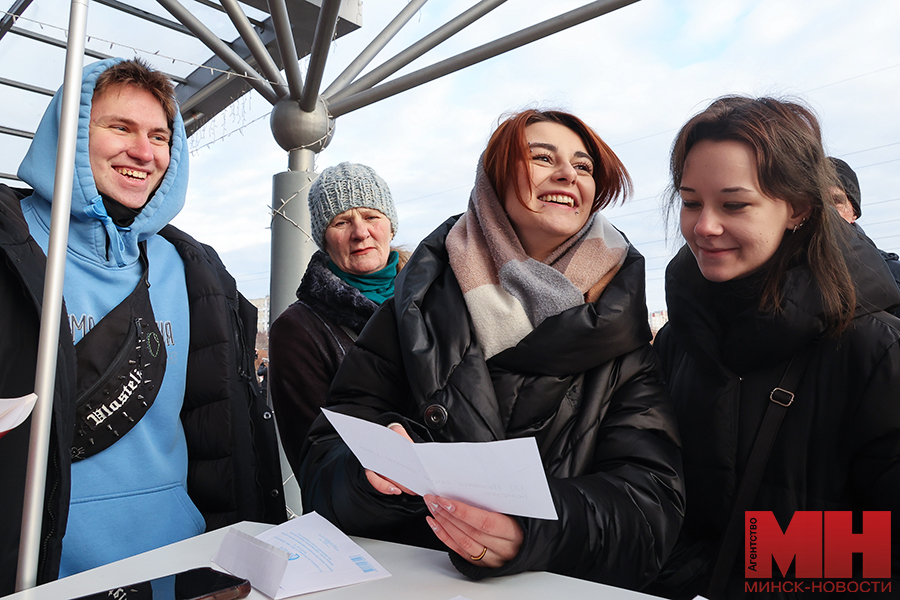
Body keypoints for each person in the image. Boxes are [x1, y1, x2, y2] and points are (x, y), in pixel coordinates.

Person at [298, 110, 685, 590]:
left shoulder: (622, 330)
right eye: (542, 158)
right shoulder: (414, 305)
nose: (567, 174)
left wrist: (534, 531)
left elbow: (652, 509)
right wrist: (367, 479)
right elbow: (322, 460)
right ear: (493, 181)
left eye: (584, 167)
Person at [0, 58, 284, 591]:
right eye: (120, 127)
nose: (143, 152)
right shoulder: (9, 245)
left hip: (176, 563)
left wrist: (233, 553)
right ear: (68, 133)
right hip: (37, 570)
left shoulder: (197, 270)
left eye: (159, 135)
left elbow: (224, 432)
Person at [649, 96, 900, 599]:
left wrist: (740, 566)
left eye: (734, 204)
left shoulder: (874, 349)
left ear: (799, 209)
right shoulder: (677, 343)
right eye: (692, 201)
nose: (704, 227)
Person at [268, 162, 404, 479]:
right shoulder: (298, 330)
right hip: (373, 512)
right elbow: (316, 460)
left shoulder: (437, 300)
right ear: (324, 240)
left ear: (390, 226)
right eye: (342, 222)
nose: (360, 233)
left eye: (372, 216)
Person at [829, 156, 900, 317]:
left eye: (836, 201)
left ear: (854, 213)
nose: (827, 211)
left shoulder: (894, 276)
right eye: (817, 201)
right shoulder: (778, 271)